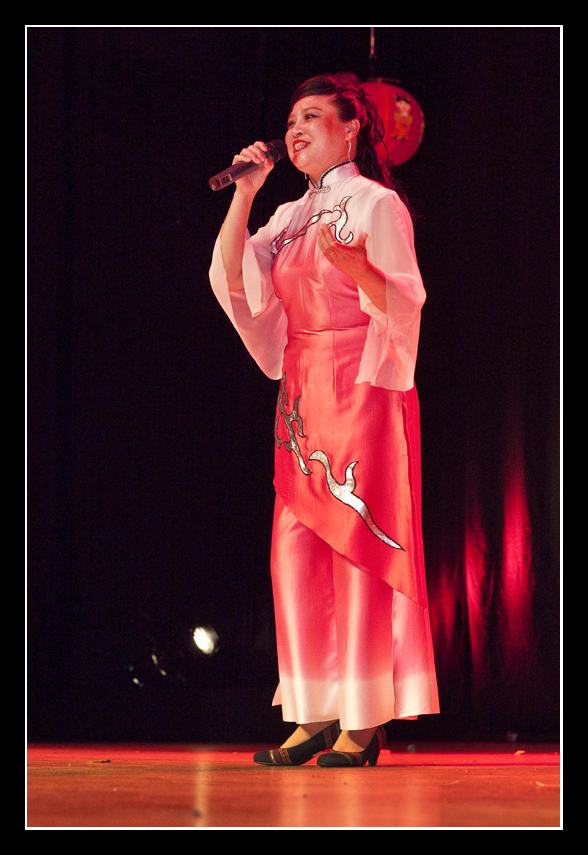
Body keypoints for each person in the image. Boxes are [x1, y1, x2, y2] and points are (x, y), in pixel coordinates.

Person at [209, 72, 439, 767]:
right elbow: (233, 282)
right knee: (296, 552)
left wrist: (357, 269)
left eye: (312, 117)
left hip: (366, 380)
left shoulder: (375, 203)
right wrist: (246, 194)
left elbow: (405, 298)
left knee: (357, 547)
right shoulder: (286, 214)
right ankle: (313, 709)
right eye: (290, 122)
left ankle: (363, 718)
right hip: (305, 394)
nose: (296, 130)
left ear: (352, 129)